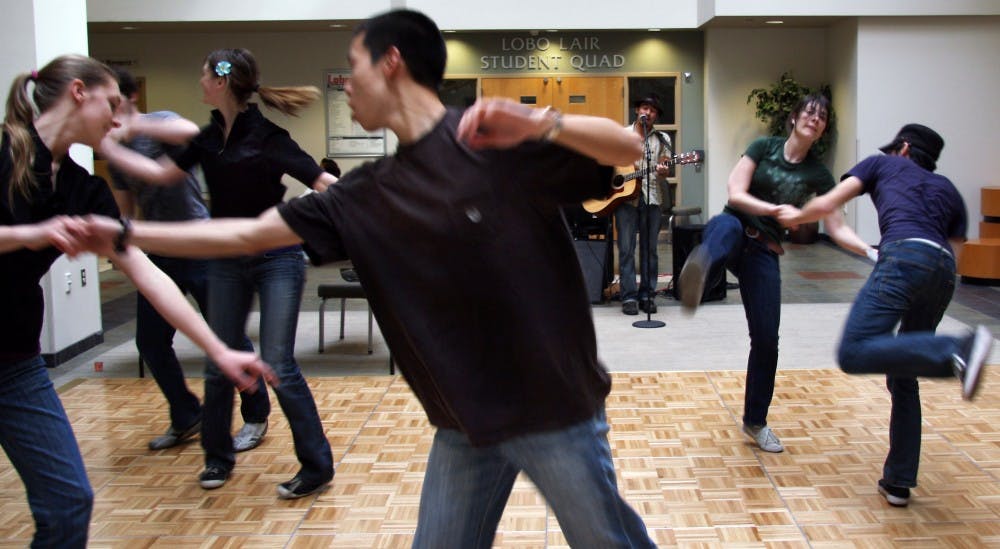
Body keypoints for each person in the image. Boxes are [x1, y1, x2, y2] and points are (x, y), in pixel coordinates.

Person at [66, 9, 656, 547]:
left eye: (353, 67)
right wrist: (125, 236)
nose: (345, 84)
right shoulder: (365, 195)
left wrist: (536, 121)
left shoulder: (493, 139)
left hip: (551, 408)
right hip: (462, 422)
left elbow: (627, 147)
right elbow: (245, 235)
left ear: (391, 62)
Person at [0, 54, 272, 548]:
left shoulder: (84, 189)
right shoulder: (5, 150)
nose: (116, 117)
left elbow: (147, 274)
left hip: (15, 363)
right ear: (78, 92)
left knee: (68, 504)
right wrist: (29, 234)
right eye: (110, 103)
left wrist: (218, 348)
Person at [99, 48, 336, 497]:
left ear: (222, 82)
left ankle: (317, 465)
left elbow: (321, 181)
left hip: (277, 258)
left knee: (279, 363)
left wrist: (374, 211)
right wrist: (106, 146)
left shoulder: (268, 136)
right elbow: (157, 172)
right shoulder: (206, 139)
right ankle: (216, 458)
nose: (201, 81)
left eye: (205, 74)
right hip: (226, 259)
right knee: (218, 360)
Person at [776, 123, 993, 507]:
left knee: (854, 351)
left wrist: (796, 216)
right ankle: (898, 481)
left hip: (904, 258)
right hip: (941, 272)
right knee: (905, 374)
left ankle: (957, 348)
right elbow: (954, 257)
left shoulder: (882, 164)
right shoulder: (949, 191)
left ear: (904, 148)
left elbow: (828, 204)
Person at [678, 93, 871, 453]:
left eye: (822, 117)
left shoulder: (818, 173)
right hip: (735, 228)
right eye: (810, 112)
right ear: (795, 118)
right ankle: (701, 268)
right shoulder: (763, 146)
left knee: (767, 340)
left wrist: (867, 249)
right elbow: (735, 193)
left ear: (823, 128)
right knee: (724, 227)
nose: (815, 119)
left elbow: (836, 225)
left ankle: (755, 421)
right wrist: (773, 209)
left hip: (764, 251)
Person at [108, 67, 266, 451]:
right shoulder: (113, 154)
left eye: (112, 101)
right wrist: (124, 247)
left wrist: (133, 126)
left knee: (225, 334)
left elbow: (194, 136)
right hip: (161, 254)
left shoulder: (158, 122)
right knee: (150, 341)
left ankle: (256, 414)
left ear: (128, 98)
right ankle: (185, 414)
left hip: (199, 245)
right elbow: (127, 210)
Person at [615, 94, 671, 315]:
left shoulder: (662, 138)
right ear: (637, 110)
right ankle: (628, 297)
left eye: (653, 110)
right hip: (624, 199)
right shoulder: (621, 135)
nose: (648, 113)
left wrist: (664, 170)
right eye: (645, 108)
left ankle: (647, 295)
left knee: (650, 250)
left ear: (656, 116)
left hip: (652, 198)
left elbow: (665, 167)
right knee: (626, 249)